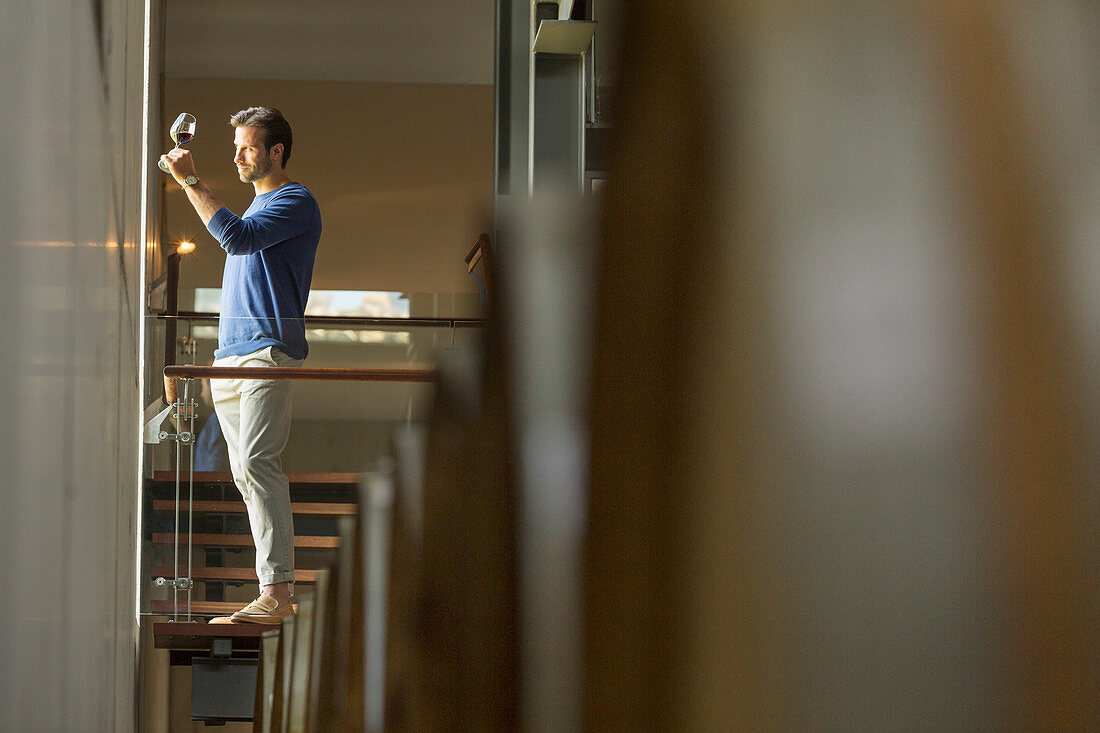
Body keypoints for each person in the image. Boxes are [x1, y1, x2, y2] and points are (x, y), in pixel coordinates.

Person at [161, 106, 321, 624]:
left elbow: (234, 237)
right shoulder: (257, 209)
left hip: (267, 350)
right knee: (245, 474)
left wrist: (189, 180)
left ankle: (277, 592)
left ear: (276, 151)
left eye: (248, 147)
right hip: (231, 357)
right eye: (236, 147)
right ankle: (271, 589)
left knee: (256, 465)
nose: (238, 156)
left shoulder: (295, 201)